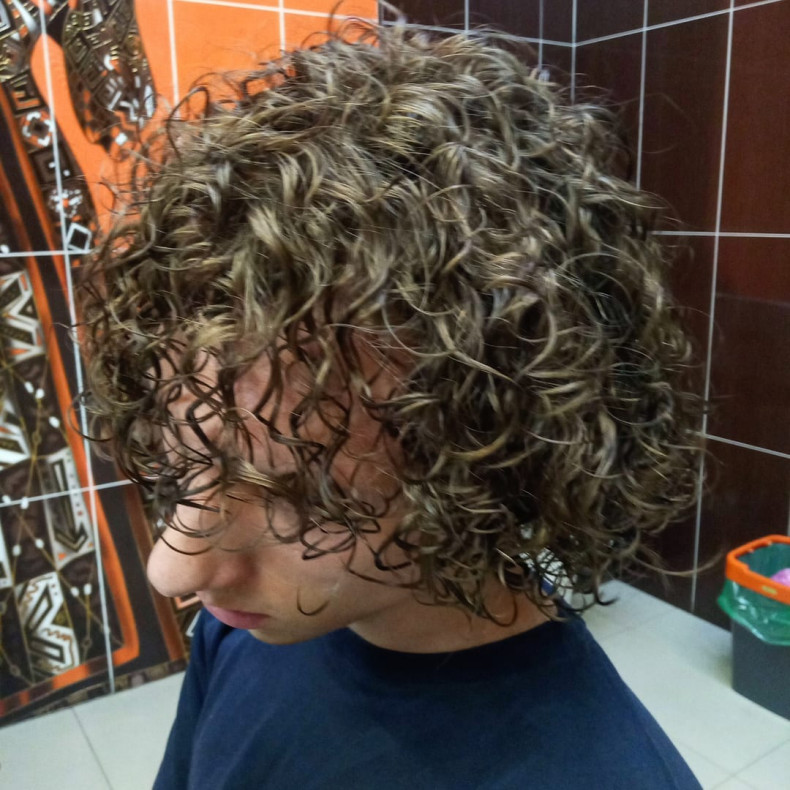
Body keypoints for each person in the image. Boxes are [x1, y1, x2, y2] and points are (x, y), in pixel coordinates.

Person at [79, 18, 704, 790]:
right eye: (185, 467)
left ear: (495, 456)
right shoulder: (236, 636)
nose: (173, 568)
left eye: (296, 497)